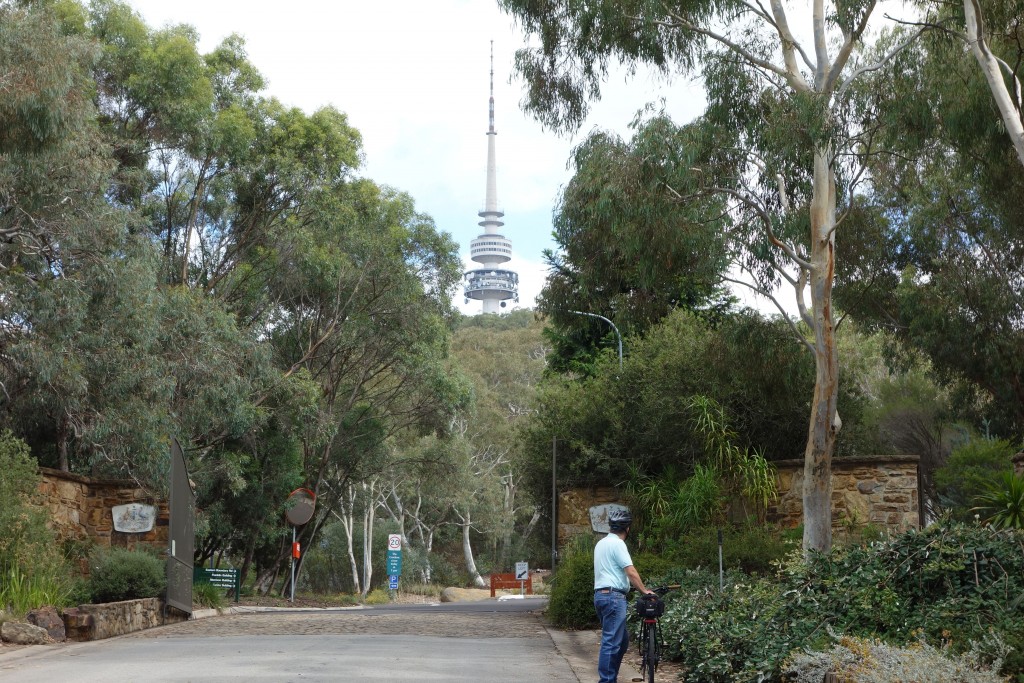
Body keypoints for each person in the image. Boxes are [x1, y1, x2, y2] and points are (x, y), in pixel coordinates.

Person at [593, 508, 653, 683]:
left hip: (600, 596)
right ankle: (607, 680)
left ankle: (610, 677)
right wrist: (644, 590)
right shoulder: (618, 544)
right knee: (611, 642)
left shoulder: (601, 543)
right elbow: (630, 571)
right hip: (613, 598)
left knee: (622, 641)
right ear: (627, 529)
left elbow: (610, 571)